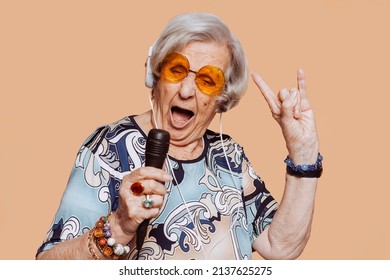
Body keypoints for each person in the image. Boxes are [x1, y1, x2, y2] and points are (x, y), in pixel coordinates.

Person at [36, 12, 322, 260]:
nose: (186, 91)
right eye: (177, 70)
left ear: (222, 99)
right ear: (155, 74)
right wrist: (121, 226)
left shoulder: (228, 156)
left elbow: (280, 245)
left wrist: (304, 152)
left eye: (207, 80)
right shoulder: (111, 147)